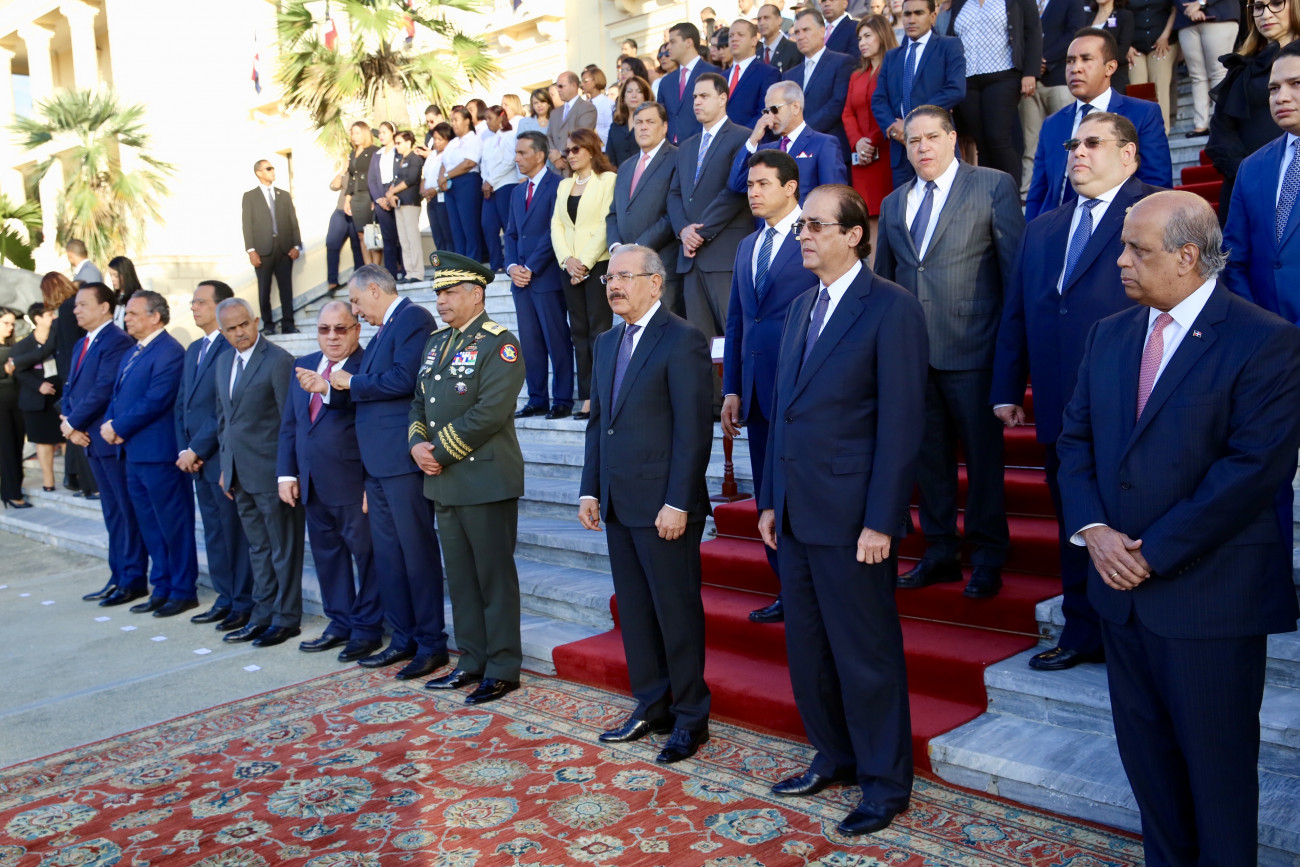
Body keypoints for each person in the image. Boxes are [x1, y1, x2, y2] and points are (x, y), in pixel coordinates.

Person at [1056, 190, 1300, 867]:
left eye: (1137, 249)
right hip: (1121, 600)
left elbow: (1253, 471)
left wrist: (1152, 552)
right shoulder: (1109, 334)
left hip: (1210, 601)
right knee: (1151, 775)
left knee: (1218, 782)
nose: (1121, 261)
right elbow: (1075, 443)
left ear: (1188, 256)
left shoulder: (1265, 340)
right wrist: (1095, 530)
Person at [756, 185, 928, 837]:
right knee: (809, 649)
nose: (802, 235)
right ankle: (834, 755)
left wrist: (882, 519)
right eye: (801, 225)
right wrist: (769, 499)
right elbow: (785, 411)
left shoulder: (892, 307)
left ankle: (884, 783)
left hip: (855, 519)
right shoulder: (802, 306)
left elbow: (901, 423)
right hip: (797, 513)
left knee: (865, 654)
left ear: (854, 235)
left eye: (815, 225)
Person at [993, 110, 1163, 670]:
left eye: (1093, 143)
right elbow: (1018, 311)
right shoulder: (1043, 227)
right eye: (1072, 145)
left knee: (1135, 518)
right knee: (1075, 519)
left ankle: (1139, 632)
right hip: (1060, 403)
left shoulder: (1158, 210)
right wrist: (1007, 386)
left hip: (1137, 400)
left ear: (1129, 154)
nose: (1078, 153)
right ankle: (1082, 630)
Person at [874, 106, 1021, 599]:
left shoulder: (992, 186)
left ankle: (987, 555)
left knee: (983, 463)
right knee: (929, 463)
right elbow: (886, 284)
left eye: (931, 137)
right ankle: (940, 551)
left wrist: (1011, 361)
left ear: (952, 138)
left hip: (974, 350)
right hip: (912, 359)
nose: (922, 147)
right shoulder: (893, 202)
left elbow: (1013, 276)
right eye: (913, 140)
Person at [579, 245, 714, 764]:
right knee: (635, 614)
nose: (613, 285)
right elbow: (600, 424)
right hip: (619, 502)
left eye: (625, 276)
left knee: (676, 615)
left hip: (665, 508)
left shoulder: (683, 339)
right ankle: (652, 704)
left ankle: (691, 717)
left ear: (655, 282)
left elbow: (693, 430)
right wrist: (591, 490)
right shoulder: (606, 342)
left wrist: (678, 501)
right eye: (609, 278)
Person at [409, 253, 528, 703]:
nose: (440, 300)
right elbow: (419, 403)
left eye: (449, 292)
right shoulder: (436, 343)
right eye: (438, 293)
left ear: (476, 294)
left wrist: (436, 452)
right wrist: (416, 445)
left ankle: (502, 667)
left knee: (493, 579)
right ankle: (471, 661)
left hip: (484, 480)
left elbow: (489, 413)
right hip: (445, 482)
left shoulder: (500, 344)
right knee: (460, 580)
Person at [333, 265, 449, 679]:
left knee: (416, 554)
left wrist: (351, 383)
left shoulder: (413, 317)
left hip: (401, 461)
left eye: (356, 301)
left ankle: (431, 643)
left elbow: (405, 378)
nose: (356, 310)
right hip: (378, 464)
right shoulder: (384, 329)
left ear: (375, 290)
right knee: (389, 557)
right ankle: (403, 638)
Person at [722, 151, 820, 624]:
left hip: (806, 393)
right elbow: (738, 321)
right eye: (749, 185)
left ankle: (816, 588)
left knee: (805, 493)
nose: (754, 192)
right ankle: (787, 589)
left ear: (790, 187)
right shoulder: (747, 246)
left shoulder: (815, 233)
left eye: (763, 184)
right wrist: (732, 388)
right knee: (768, 496)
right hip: (758, 395)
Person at [278, 302, 384, 663]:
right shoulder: (303, 363)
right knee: (327, 558)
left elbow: (375, 427)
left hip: (353, 483)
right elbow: (291, 425)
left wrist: (373, 482)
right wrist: (287, 473)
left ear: (357, 329)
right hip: (311, 482)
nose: (332, 336)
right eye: (325, 329)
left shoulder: (369, 366)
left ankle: (367, 629)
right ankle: (340, 622)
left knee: (368, 558)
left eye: (341, 328)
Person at [214, 298, 305, 648]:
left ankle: (286, 619)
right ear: (222, 332)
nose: (240, 332)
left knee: (283, 549)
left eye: (244, 324)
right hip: (240, 476)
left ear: (255, 322)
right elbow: (224, 420)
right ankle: (262, 614)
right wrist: (226, 467)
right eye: (231, 329)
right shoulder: (224, 362)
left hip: (272, 475)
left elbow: (290, 422)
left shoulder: (278, 360)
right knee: (258, 549)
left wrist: (288, 473)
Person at [101, 291, 198, 618]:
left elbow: (157, 399)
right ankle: (162, 586)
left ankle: (183, 590)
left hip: (159, 455)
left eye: (132, 313)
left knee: (173, 525)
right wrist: (109, 423)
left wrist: (118, 427)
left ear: (155, 316)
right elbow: (117, 395)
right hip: (133, 454)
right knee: (151, 526)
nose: (126, 318)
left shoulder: (170, 351)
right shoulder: (134, 351)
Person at [1025, 29, 1171, 219]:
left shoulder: (1142, 114)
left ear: (1110, 68)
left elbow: (1157, 186)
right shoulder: (1052, 124)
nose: (1075, 68)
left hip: (1120, 227)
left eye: (1086, 59)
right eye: (1070, 61)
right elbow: (1038, 193)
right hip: (1057, 228)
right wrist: (1032, 233)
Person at [175, 280, 254, 632]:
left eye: (200, 302)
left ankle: (243, 601)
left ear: (221, 306)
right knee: (214, 534)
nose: (193, 307)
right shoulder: (194, 349)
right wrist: (185, 449)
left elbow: (223, 407)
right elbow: (183, 404)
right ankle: (225, 597)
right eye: (193, 302)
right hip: (196, 460)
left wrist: (197, 448)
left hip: (220, 456)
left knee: (233, 534)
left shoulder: (230, 345)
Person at [61, 283, 146, 605]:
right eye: (76, 305)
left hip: (109, 440)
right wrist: (69, 425)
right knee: (112, 513)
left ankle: (132, 579)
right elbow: (70, 389)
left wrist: (73, 423)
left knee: (125, 512)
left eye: (83, 304)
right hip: (87, 438)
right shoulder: (82, 342)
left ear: (104, 307)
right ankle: (117, 576)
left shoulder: (116, 341)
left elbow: (103, 389)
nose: (76, 310)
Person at [668, 73, 754, 350]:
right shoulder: (686, 146)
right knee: (699, 342)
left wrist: (699, 233)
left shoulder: (743, 137)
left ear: (722, 98)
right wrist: (683, 231)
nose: (697, 102)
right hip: (691, 258)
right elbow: (674, 194)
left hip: (723, 254)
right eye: (694, 96)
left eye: (704, 96)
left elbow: (735, 193)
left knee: (735, 336)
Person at [1224, 39, 1300, 320]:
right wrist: (1260, 326)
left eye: (1296, 84)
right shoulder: (1252, 167)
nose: (1281, 98)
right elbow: (1234, 259)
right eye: (1273, 88)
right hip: (1266, 335)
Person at [507, 131, 577, 420]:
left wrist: (531, 267)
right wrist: (512, 267)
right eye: (516, 152)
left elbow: (555, 231)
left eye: (522, 153)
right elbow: (511, 234)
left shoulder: (559, 185)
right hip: (521, 283)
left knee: (556, 340)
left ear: (539, 155)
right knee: (531, 344)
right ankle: (537, 398)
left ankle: (562, 399)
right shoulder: (517, 191)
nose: (517, 158)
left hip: (547, 279)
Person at [1207, 0, 1295, 225]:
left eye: (1276, 3)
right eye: (1258, 7)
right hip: (1248, 187)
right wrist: (1249, 173)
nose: (1266, 14)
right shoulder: (1241, 68)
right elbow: (1221, 131)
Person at [553, 129, 618, 422]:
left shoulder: (608, 180)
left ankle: (602, 396)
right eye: (567, 150)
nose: (570, 155)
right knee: (578, 332)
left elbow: (606, 223)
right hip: (569, 268)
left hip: (598, 265)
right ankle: (587, 396)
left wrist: (584, 263)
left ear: (591, 150)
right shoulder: (564, 185)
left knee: (599, 332)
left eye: (576, 149)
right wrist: (568, 260)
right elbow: (557, 225)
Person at [872, 0, 967, 189]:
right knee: (905, 205)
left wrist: (910, 122)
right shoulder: (892, 57)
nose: (911, 19)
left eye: (918, 13)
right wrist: (894, 129)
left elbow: (956, 89)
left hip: (936, 142)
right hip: (901, 147)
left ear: (933, 16)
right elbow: (878, 100)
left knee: (946, 202)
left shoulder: (949, 46)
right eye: (907, 14)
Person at [946, 0, 1043, 179]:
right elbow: (950, 39)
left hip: (1004, 76)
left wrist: (1030, 72)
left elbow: (1033, 31)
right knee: (981, 143)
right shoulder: (961, 2)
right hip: (967, 80)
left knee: (998, 138)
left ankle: (1010, 190)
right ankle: (989, 191)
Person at [607, 103, 683, 315]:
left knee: (664, 327)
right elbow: (614, 213)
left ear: (664, 127)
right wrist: (616, 248)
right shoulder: (626, 166)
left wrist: (637, 248)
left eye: (650, 122)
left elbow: (673, 212)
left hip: (662, 264)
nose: (643, 127)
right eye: (639, 122)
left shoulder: (677, 158)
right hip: (627, 272)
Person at [729, 81, 849, 203]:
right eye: (766, 112)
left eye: (775, 109)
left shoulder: (823, 144)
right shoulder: (765, 150)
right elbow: (737, 184)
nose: (770, 117)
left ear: (795, 107)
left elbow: (834, 197)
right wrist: (753, 139)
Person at [1020, 0, 1090, 195]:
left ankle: (1069, 191)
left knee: (1068, 140)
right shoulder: (1024, 3)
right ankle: (1028, 194)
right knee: (1030, 145)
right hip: (1029, 83)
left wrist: (1043, 59)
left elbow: (1075, 34)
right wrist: (1031, 65)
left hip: (1060, 79)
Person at [42, 272, 94, 500]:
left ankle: (84, 482)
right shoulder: (71, 306)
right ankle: (77, 479)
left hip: (74, 378)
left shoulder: (66, 309)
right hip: (77, 376)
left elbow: (74, 347)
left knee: (75, 426)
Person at [782, 9, 857, 163]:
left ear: (822, 31)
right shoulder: (790, 75)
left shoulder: (842, 62)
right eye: (797, 32)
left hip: (830, 149)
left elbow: (837, 103)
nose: (800, 36)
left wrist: (803, 131)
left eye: (806, 30)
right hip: (798, 153)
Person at [843, 17, 896, 229]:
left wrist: (871, 142)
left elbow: (888, 109)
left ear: (882, 36)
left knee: (888, 213)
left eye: (867, 36)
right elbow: (848, 113)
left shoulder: (893, 69)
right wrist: (858, 143)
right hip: (861, 157)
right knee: (866, 215)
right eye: (859, 38)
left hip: (886, 151)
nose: (862, 43)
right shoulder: (856, 76)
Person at [241, 160, 303, 335]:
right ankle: (268, 325)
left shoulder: (283, 195)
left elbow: (293, 221)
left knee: (286, 289)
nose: (272, 171)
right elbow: (247, 225)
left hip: (284, 249)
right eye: (268, 169)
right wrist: (251, 250)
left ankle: (288, 324)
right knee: (264, 290)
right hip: (262, 250)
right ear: (259, 173)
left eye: (273, 168)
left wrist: (296, 245)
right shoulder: (250, 196)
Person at [8, 303, 62, 494]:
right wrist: (38, 386)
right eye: (49, 315)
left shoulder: (60, 339)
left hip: (60, 395)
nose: (54, 318)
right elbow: (18, 371)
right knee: (43, 440)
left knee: (65, 438)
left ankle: (73, 477)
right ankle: (49, 481)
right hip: (37, 399)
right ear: (37, 319)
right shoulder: (23, 346)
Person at [1176, 0, 1239, 137]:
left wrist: (1201, 3)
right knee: (1196, 76)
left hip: (1220, 15)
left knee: (1219, 72)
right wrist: (1189, 9)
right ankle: (1200, 125)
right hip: (1187, 20)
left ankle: (1222, 122)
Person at [660, 24, 724, 144]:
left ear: (688, 42)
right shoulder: (666, 81)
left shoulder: (712, 73)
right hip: (671, 149)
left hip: (703, 145)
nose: (668, 47)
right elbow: (661, 116)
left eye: (673, 42)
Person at [480, 106, 521, 274]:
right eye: (486, 119)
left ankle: (512, 261)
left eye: (490, 118)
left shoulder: (510, 136)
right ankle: (496, 264)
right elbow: (484, 164)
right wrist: (486, 180)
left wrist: (491, 180)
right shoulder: (488, 141)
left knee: (508, 225)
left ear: (500, 117)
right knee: (488, 225)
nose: (487, 122)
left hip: (505, 184)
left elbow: (510, 160)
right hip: (489, 188)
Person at [442, 108, 485, 265]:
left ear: (467, 120)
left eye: (456, 120)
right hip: (450, 185)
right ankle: (460, 261)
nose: (453, 124)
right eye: (452, 120)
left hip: (467, 182)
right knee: (456, 227)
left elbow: (469, 163)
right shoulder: (453, 143)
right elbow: (443, 162)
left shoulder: (474, 139)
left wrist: (447, 175)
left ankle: (473, 261)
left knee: (469, 224)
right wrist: (442, 178)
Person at [383, 130, 427, 284]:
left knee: (412, 237)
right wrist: (391, 195)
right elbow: (396, 180)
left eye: (399, 143)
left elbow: (411, 179)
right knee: (403, 239)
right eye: (395, 143)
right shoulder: (399, 160)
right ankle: (409, 272)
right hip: (399, 203)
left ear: (408, 142)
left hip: (410, 202)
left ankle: (418, 272)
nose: (397, 146)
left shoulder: (415, 158)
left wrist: (392, 192)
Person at [725, 19, 784, 129]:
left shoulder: (768, 73)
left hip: (752, 137)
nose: (734, 39)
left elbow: (765, 112)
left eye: (740, 35)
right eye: (731, 36)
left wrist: (739, 136)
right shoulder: (722, 76)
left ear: (754, 41)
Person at [1128, 0, 1178, 128]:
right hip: (1135, 46)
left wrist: (1165, 36)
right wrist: (1126, 45)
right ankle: (1140, 133)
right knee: (1137, 89)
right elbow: (1119, 13)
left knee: (1159, 86)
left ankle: (1161, 132)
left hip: (1163, 43)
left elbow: (1175, 9)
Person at [368, 122, 404, 279]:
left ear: (393, 132)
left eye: (384, 132)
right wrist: (379, 199)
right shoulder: (377, 155)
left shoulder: (398, 151)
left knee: (402, 236)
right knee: (388, 238)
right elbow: (371, 179)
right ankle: (391, 274)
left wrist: (391, 194)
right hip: (381, 194)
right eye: (380, 133)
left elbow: (402, 173)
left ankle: (406, 270)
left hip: (396, 193)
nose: (381, 135)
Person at [344, 121, 380, 268]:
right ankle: (368, 268)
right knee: (361, 235)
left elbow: (376, 175)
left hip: (368, 195)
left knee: (372, 232)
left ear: (365, 133)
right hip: (356, 197)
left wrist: (375, 198)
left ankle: (376, 268)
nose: (354, 136)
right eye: (352, 133)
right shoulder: (352, 153)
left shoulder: (374, 151)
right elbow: (351, 178)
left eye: (357, 133)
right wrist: (347, 199)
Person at [548, 71, 600, 171]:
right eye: (557, 86)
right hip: (556, 170)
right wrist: (555, 158)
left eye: (561, 86)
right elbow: (548, 137)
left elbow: (581, 136)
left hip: (578, 169)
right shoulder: (554, 113)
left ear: (574, 85)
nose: (558, 90)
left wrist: (560, 153)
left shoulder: (587, 108)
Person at [0, 308, 23, 509]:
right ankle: (12, 493)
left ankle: (13, 490)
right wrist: (4, 369)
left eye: (12, 324)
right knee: (7, 449)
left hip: (17, 404)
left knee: (16, 447)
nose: (10, 327)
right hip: (2, 406)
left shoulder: (14, 347)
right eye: (6, 323)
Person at [1085, 0, 1135, 92]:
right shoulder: (1087, 17)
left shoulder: (1124, 15)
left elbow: (1122, 49)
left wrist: (1099, 64)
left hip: (1114, 76)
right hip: (1089, 76)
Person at [422, 122, 455, 253]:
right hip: (430, 199)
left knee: (447, 235)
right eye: (434, 139)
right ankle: (440, 264)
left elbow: (447, 177)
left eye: (440, 139)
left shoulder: (450, 154)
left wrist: (435, 190)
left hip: (442, 197)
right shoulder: (432, 155)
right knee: (437, 236)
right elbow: (425, 176)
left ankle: (451, 263)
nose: (436, 142)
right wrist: (423, 191)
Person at [606, 75, 653, 168]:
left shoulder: (652, 124)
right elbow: (609, 158)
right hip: (619, 174)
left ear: (646, 96)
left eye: (639, 91)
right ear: (623, 96)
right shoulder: (615, 126)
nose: (634, 96)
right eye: (629, 91)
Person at [759, 3, 805, 71]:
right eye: (759, 19)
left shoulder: (794, 50)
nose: (761, 23)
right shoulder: (755, 52)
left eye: (766, 18)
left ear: (779, 20)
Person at [582, 65, 616, 145]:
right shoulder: (584, 104)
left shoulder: (608, 103)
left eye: (585, 81)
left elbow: (611, 128)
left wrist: (594, 135)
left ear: (595, 81)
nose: (582, 84)